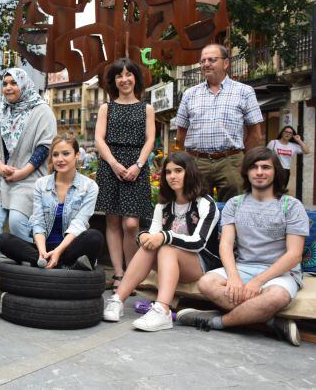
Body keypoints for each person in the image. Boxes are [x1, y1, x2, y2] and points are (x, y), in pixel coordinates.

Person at [177, 147, 309, 346]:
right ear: (247, 171)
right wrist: (234, 277)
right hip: (244, 267)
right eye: (254, 167)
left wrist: (257, 282)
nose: (259, 172)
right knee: (206, 283)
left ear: (276, 172)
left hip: (282, 272)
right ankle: (270, 321)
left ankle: (216, 322)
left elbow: (294, 255)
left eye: (266, 167)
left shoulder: (291, 205)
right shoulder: (235, 204)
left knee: (276, 297)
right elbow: (226, 244)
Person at [103, 151, 220, 331]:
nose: (172, 176)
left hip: (201, 263)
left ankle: (162, 310)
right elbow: (154, 233)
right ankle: (118, 299)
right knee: (150, 245)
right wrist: (143, 236)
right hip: (169, 261)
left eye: (178, 171)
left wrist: (165, 236)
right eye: (168, 172)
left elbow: (199, 242)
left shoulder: (205, 203)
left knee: (166, 247)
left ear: (190, 172)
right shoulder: (164, 204)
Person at [0, 68, 55, 295]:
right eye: (5, 83)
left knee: (18, 222)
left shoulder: (41, 111)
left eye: (13, 83)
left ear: (24, 85)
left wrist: (22, 172)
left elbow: (45, 147)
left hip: (28, 176)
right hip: (0, 175)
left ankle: (27, 266)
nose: (8, 87)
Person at [0, 134, 103, 272]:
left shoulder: (89, 186)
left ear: (77, 155)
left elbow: (79, 224)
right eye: (56, 155)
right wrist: (42, 251)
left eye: (66, 153)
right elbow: (38, 222)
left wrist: (58, 251)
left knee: (94, 237)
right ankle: (60, 264)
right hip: (44, 247)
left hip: (69, 247)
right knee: (3, 239)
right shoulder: (41, 184)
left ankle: (48, 263)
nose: (60, 159)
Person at [94, 58, 155, 290]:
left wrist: (138, 165)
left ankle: (132, 273)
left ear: (136, 78)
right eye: (119, 75)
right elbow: (99, 139)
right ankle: (119, 274)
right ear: (114, 81)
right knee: (112, 221)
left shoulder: (146, 108)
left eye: (129, 74)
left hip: (136, 166)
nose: (124, 79)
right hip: (111, 165)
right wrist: (113, 163)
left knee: (131, 223)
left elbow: (150, 139)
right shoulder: (106, 108)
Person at [175, 43, 263, 201]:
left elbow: (255, 134)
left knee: (235, 208)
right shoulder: (189, 94)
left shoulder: (245, 91)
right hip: (197, 162)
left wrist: (245, 162)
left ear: (226, 63)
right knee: (195, 210)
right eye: (203, 61)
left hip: (231, 161)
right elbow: (181, 134)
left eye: (212, 60)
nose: (206, 64)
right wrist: (188, 162)